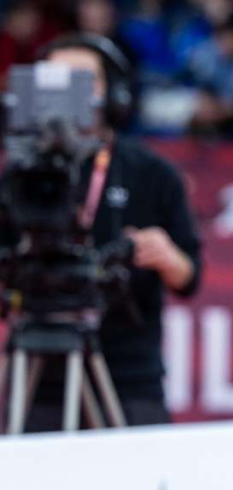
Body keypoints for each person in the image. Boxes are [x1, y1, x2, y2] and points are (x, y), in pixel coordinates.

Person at [13, 33, 202, 431]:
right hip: (36, 369)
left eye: (81, 81)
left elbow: (189, 278)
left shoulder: (153, 174)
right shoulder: (17, 177)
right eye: (54, 82)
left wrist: (167, 256)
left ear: (114, 95)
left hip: (127, 373)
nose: (66, 96)